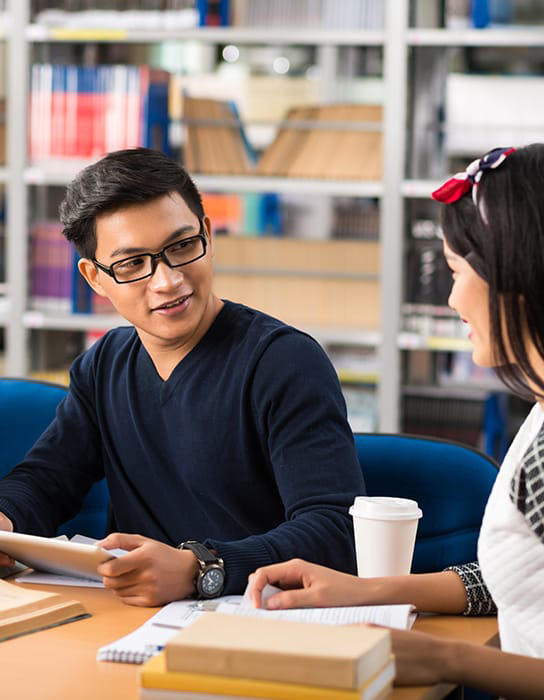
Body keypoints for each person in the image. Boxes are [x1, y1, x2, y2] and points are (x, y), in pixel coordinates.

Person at [248, 144, 544, 699]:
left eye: (456, 271)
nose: (453, 299)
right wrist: (363, 590)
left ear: (516, 282)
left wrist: (445, 659)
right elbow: (535, 583)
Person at [0, 147, 366, 607]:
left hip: (258, 620)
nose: (168, 280)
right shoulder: (105, 364)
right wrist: (6, 520)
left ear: (208, 234)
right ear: (95, 278)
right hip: (136, 623)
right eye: (133, 264)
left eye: (181, 246)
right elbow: (45, 481)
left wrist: (203, 568)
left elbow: (335, 528)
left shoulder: (283, 361)